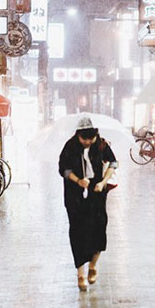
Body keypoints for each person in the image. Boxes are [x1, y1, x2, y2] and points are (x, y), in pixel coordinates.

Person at [58, 115, 118, 291]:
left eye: (90, 139)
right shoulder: (70, 146)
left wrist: (103, 182)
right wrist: (78, 181)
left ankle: (93, 264)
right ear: (78, 135)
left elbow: (113, 163)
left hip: (97, 191)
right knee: (78, 231)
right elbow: (63, 169)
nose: (87, 142)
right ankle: (80, 274)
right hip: (74, 194)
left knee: (99, 228)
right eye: (84, 139)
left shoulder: (101, 144)